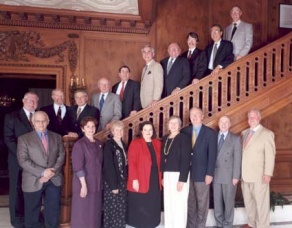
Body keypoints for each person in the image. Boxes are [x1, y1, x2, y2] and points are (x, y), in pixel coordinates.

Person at [17, 111, 65, 228]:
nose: (41, 123)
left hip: (54, 179)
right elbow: (23, 160)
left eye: (43, 120)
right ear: (32, 122)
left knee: (53, 210)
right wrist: (43, 172)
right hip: (33, 180)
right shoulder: (24, 139)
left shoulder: (57, 137)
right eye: (37, 121)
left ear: (48, 121)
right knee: (32, 211)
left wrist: (51, 172)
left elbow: (61, 155)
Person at [3, 91, 39, 228]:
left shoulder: (40, 116)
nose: (33, 103)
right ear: (24, 101)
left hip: (36, 162)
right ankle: (17, 220)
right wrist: (23, 156)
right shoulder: (12, 116)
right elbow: (8, 139)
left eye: (35, 101)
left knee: (33, 190)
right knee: (17, 190)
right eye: (30, 100)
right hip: (17, 161)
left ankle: (31, 217)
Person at [181, 107, 217, 228]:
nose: (194, 117)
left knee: (202, 203)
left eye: (197, 114)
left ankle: (200, 226)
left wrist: (210, 174)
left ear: (202, 116)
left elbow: (212, 155)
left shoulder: (210, 133)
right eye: (192, 115)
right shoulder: (184, 131)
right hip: (187, 174)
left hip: (202, 174)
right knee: (190, 202)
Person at [240, 109, 276, 228]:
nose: (252, 119)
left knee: (261, 204)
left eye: (254, 117)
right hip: (245, 176)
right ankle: (251, 224)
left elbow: (270, 155)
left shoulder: (267, 133)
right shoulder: (244, 133)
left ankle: (263, 225)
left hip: (259, 176)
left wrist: (268, 173)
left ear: (259, 118)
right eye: (250, 117)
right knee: (249, 203)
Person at [127, 121, 162, 228]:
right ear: (141, 131)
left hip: (155, 177)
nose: (148, 132)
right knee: (141, 201)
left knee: (153, 201)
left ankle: (152, 223)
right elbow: (132, 163)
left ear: (153, 131)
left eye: (150, 130)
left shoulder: (157, 143)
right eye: (145, 130)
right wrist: (134, 179)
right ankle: (139, 224)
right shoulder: (135, 143)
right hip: (140, 177)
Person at [70, 116, 103, 228]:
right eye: (88, 126)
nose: (91, 129)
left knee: (94, 213)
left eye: (93, 126)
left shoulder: (99, 143)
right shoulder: (79, 144)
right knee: (83, 213)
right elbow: (78, 167)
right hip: (84, 184)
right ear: (83, 129)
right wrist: (83, 185)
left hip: (96, 184)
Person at [161, 116, 192, 228]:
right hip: (167, 175)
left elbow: (186, 159)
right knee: (169, 203)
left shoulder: (184, 138)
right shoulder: (165, 138)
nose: (173, 125)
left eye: (176, 123)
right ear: (168, 125)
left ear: (180, 126)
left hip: (179, 175)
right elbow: (163, 159)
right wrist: (163, 176)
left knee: (179, 203)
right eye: (171, 123)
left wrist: (182, 179)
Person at [213, 115, 242, 228]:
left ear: (230, 124)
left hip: (229, 176)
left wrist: (236, 176)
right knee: (217, 202)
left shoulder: (235, 138)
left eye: (226, 122)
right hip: (215, 175)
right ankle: (219, 224)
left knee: (228, 202)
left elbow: (237, 159)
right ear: (218, 123)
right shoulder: (213, 137)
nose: (224, 124)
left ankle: (228, 224)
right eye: (221, 121)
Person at [103, 120, 127, 228]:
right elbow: (108, 166)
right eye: (117, 130)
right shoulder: (109, 145)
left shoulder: (123, 144)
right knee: (112, 208)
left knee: (120, 207)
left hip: (122, 181)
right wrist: (113, 185)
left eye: (121, 129)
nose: (119, 132)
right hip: (113, 183)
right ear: (112, 131)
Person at [140, 44, 164, 108]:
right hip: (145, 104)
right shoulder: (144, 69)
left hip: (153, 104)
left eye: (149, 52)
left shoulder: (157, 66)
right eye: (144, 52)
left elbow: (158, 84)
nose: (146, 54)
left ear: (153, 54)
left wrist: (155, 99)